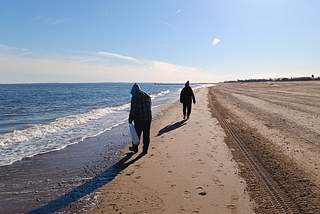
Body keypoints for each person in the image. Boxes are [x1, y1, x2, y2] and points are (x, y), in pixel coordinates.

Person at [128, 83, 152, 154]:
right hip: (148, 118)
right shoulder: (146, 95)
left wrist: (130, 117)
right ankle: (145, 150)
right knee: (146, 135)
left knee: (136, 134)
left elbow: (134, 109)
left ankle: (135, 148)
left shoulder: (135, 96)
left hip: (140, 119)